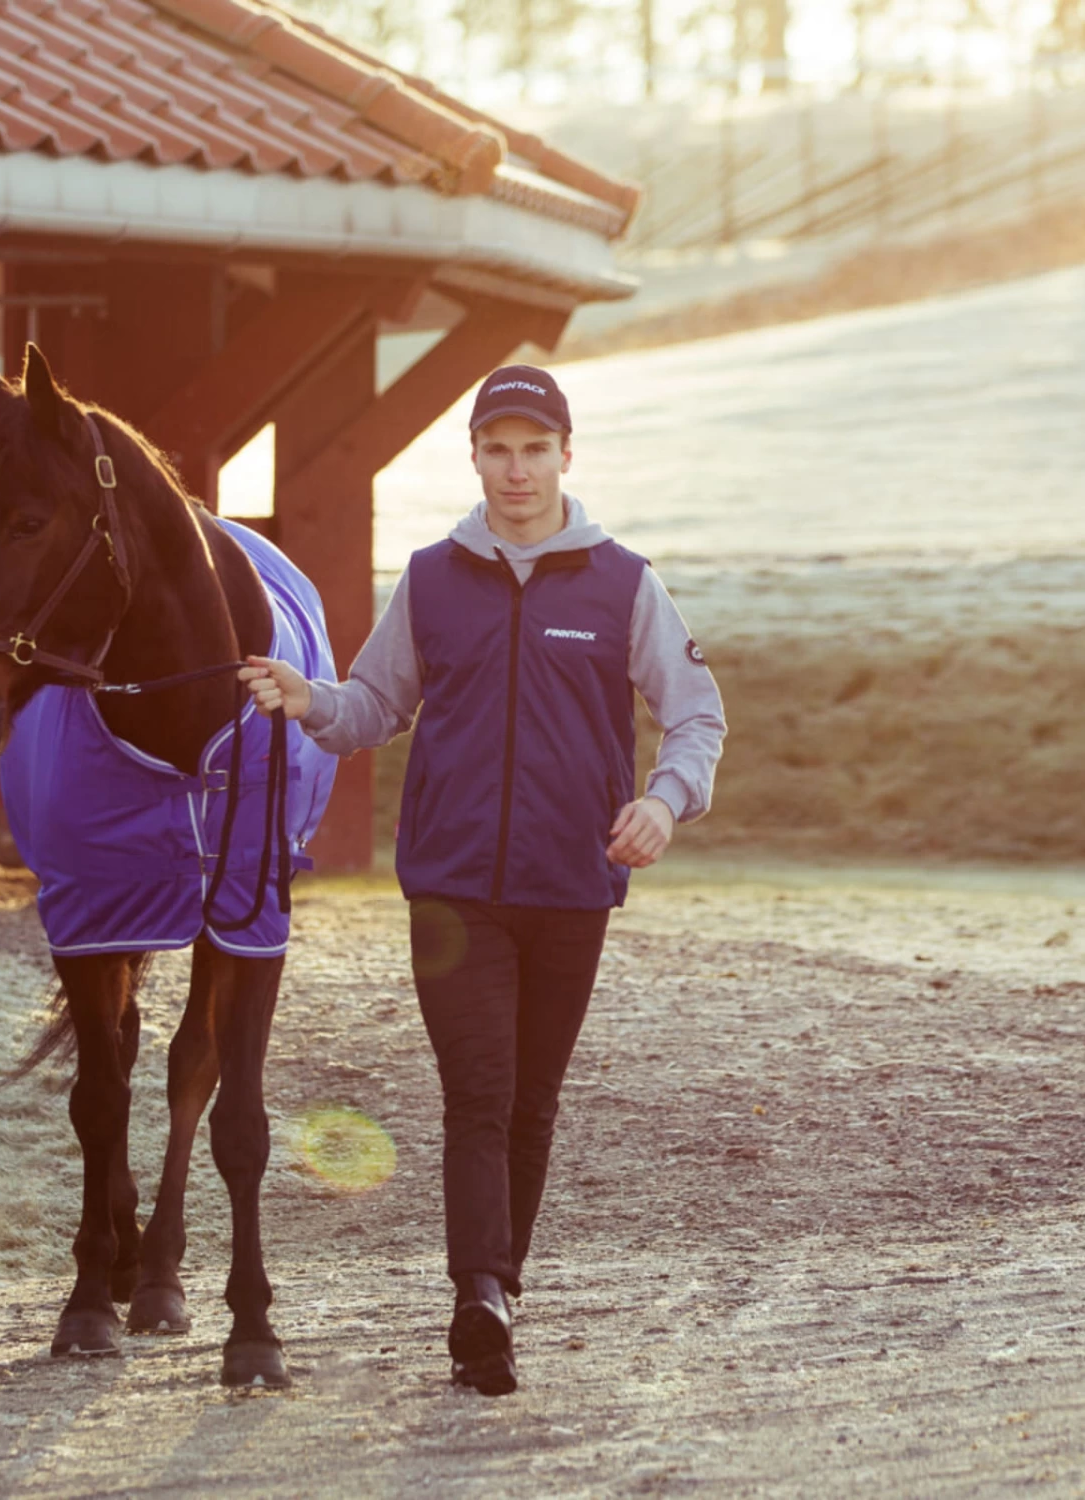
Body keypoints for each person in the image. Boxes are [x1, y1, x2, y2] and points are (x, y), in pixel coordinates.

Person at [239, 364, 726, 1396]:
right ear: (473, 456)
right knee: (480, 1092)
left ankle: (500, 1284)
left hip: (571, 888)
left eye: (533, 449)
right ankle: (480, 1296)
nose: (515, 470)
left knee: (532, 1103)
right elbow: (375, 704)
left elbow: (695, 712)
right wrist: (308, 698)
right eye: (496, 449)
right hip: (455, 892)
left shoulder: (622, 582)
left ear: (565, 456)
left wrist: (665, 800)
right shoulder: (431, 578)